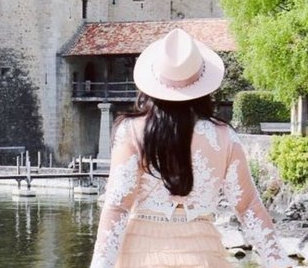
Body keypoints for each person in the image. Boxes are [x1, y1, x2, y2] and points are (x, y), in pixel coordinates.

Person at [90, 29, 293, 268]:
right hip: (203, 254)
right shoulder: (224, 137)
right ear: (203, 85)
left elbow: (118, 207)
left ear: (154, 81)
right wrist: (279, 262)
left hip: (141, 254)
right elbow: (248, 206)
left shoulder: (132, 132)